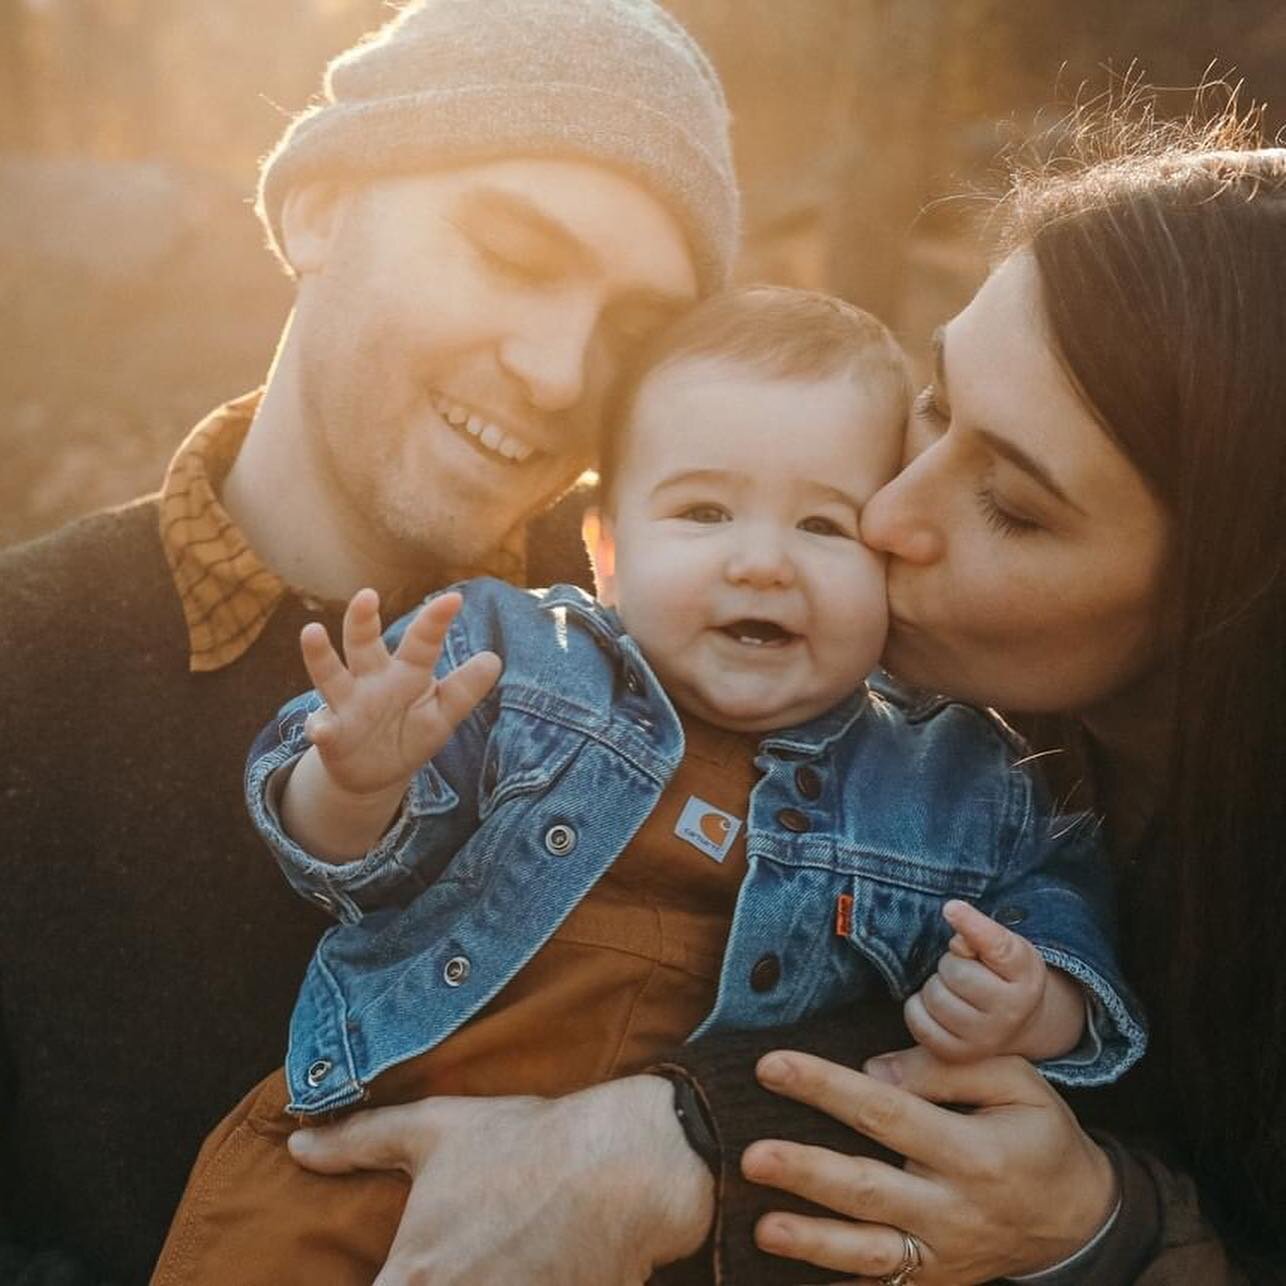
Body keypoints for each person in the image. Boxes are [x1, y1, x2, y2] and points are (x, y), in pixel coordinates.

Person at [265, 115, 1286, 1284]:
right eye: (936, 406)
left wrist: (1109, 1224)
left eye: (1008, 501)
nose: (885, 513)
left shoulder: (1008, 810)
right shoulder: (689, 637)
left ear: (1229, 602)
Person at [153, 285, 1143, 1286]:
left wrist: (1036, 998)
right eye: (704, 511)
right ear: (605, 550)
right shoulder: (511, 659)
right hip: (374, 1156)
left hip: (691, 1240)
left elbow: (1055, 889)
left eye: (822, 524)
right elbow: (337, 860)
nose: (760, 560)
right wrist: (355, 777)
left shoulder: (948, 772)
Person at [0, 1, 738, 1281]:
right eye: (513, 252)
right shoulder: (26, 664)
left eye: (631, 329)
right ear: (318, 207)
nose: (562, 372)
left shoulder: (700, 642)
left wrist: (693, 1132)